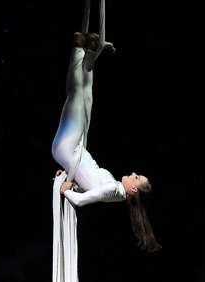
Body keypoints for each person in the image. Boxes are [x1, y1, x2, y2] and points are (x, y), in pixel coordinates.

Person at [52, 31, 160, 252]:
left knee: (77, 95)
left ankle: (80, 49)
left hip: (70, 149)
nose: (132, 174)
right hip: (71, 151)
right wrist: (71, 182)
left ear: (134, 189)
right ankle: (89, 51)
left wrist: (66, 190)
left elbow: (81, 201)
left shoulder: (113, 188)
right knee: (84, 97)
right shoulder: (116, 192)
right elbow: (88, 185)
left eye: (136, 177)